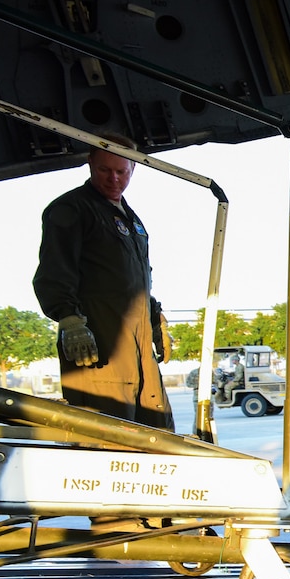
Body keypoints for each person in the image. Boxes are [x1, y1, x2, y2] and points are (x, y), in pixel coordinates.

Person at [32, 137, 174, 429]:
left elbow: (133, 279)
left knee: (156, 435)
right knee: (107, 438)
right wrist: (70, 320)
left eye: (121, 172)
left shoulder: (132, 220)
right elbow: (54, 271)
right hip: (100, 353)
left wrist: (155, 319)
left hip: (138, 351)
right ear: (90, 166)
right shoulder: (71, 209)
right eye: (104, 170)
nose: (113, 178)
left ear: (133, 169)